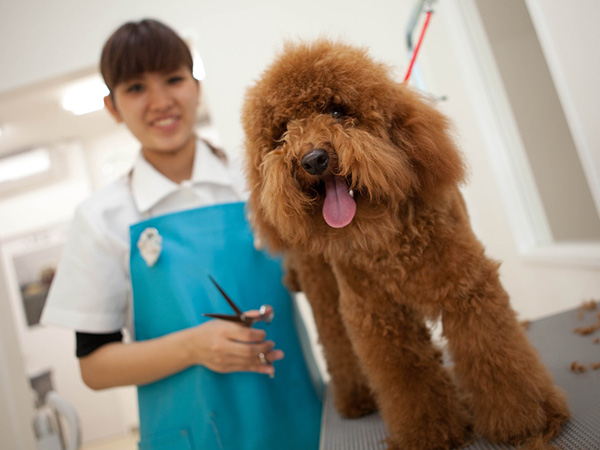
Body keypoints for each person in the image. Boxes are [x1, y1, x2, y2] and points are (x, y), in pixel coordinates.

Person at [41, 18, 322, 450]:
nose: (160, 101)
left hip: (302, 419)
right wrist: (194, 346)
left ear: (196, 85)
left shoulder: (258, 182)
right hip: (191, 435)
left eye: (173, 79)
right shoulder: (102, 219)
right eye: (136, 88)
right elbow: (95, 367)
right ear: (112, 106)